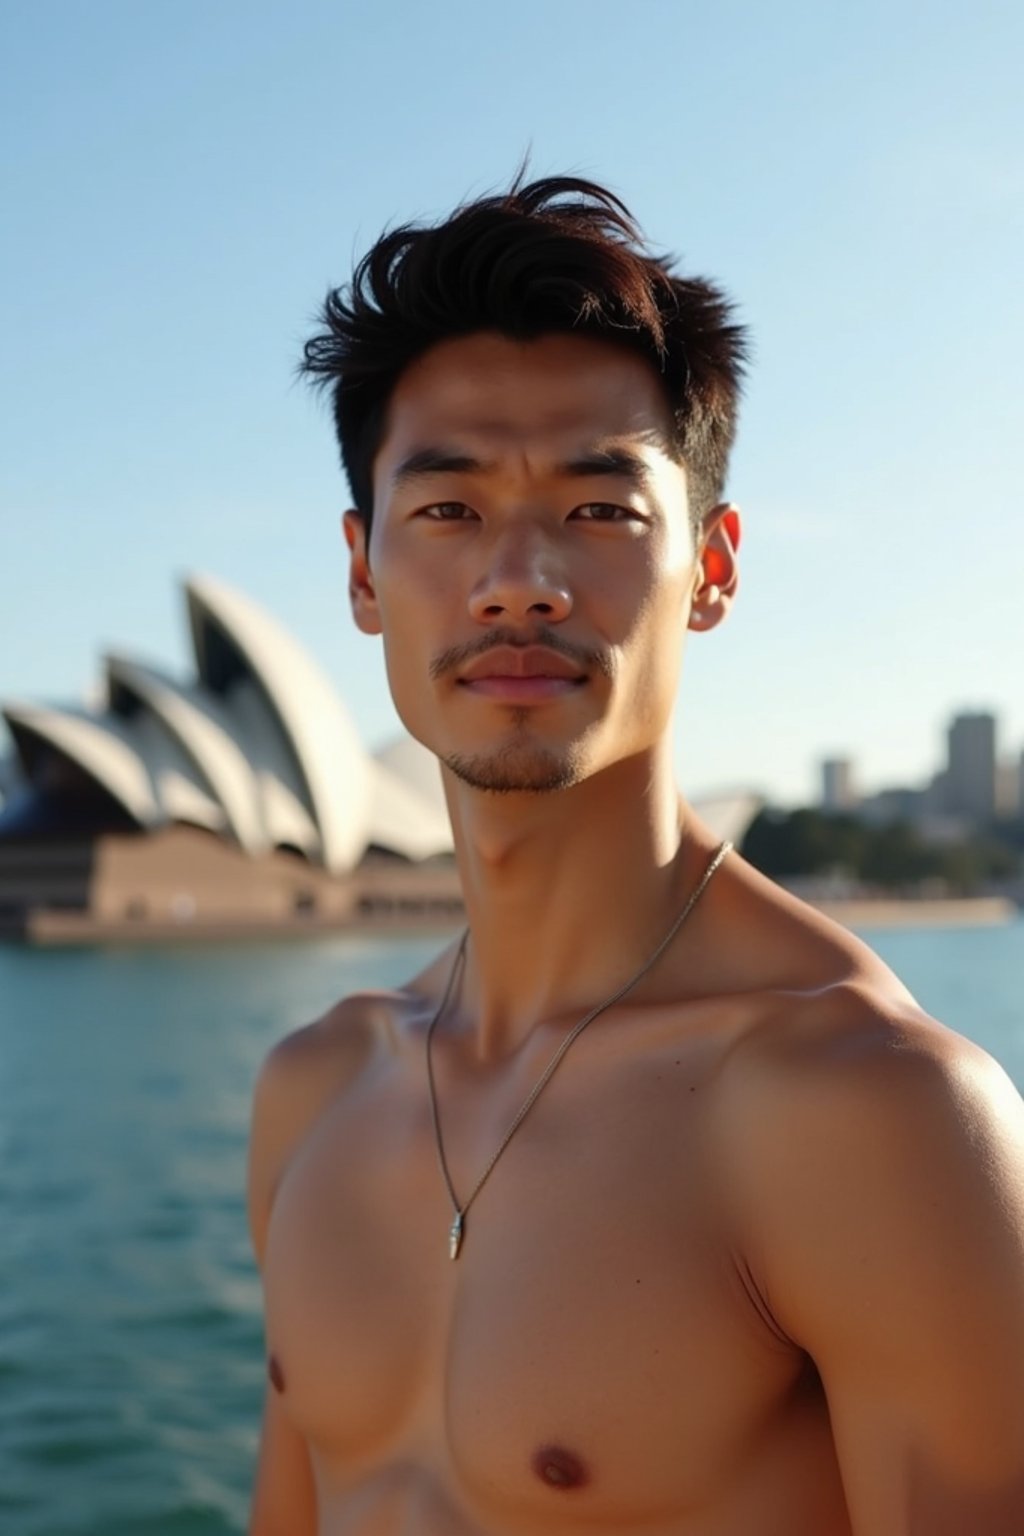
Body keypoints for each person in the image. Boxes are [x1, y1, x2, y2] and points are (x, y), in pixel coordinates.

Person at [246, 173, 1024, 1536]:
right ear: (363, 573)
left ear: (713, 566)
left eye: (601, 511)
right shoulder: (315, 1089)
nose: (521, 576)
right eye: (448, 511)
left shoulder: (869, 1113)